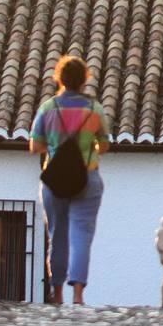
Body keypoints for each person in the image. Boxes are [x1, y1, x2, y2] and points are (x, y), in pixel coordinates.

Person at [30, 55, 110, 306]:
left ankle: (57, 294)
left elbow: (35, 146)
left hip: (55, 180)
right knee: (81, 235)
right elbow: (105, 144)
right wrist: (88, 146)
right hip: (87, 177)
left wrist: (56, 146)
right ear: (85, 79)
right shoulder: (95, 109)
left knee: (57, 236)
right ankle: (78, 295)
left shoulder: (47, 108)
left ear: (59, 78)